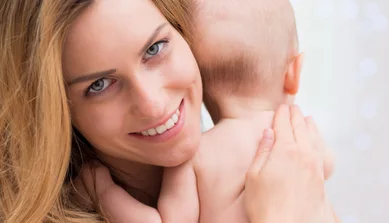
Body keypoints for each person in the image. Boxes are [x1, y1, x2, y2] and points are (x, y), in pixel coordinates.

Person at [0, 0, 334, 223]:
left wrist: (104, 193)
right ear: (55, 112)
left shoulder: (197, 165)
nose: (153, 104)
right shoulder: (298, 144)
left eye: (155, 49)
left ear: (188, 38)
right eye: (100, 85)